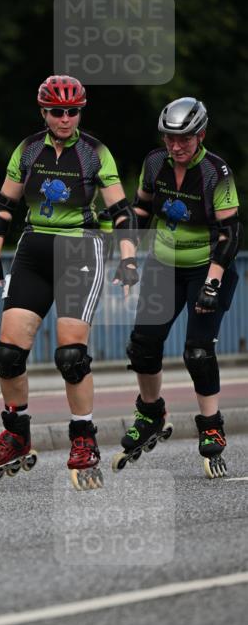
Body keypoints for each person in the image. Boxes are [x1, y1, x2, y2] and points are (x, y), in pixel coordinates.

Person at [0, 74, 139, 490]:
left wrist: (128, 260)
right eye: (56, 111)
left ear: (80, 112)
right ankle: (16, 433)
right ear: (44, 112)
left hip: (81, 250)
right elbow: (4, 204)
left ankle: (83, 438)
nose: (65, 118)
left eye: (72, 111)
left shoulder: (95, 152)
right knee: (7, 353)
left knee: (70, 355)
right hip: (33, 249)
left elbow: (121, 210)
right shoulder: (28, 149)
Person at [118, 97, 241, 477]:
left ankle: (212, 427)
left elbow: (230, 232)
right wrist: (126, 257)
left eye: (184, 139)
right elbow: (139, 211)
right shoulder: (155, 163)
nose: (175, 146)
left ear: (200, 135)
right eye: (169, 138)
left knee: (198, 352)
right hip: (164, 265)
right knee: (142, 345)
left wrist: (212, 283)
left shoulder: (216, 172)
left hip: (208, 266)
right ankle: (152, 413)